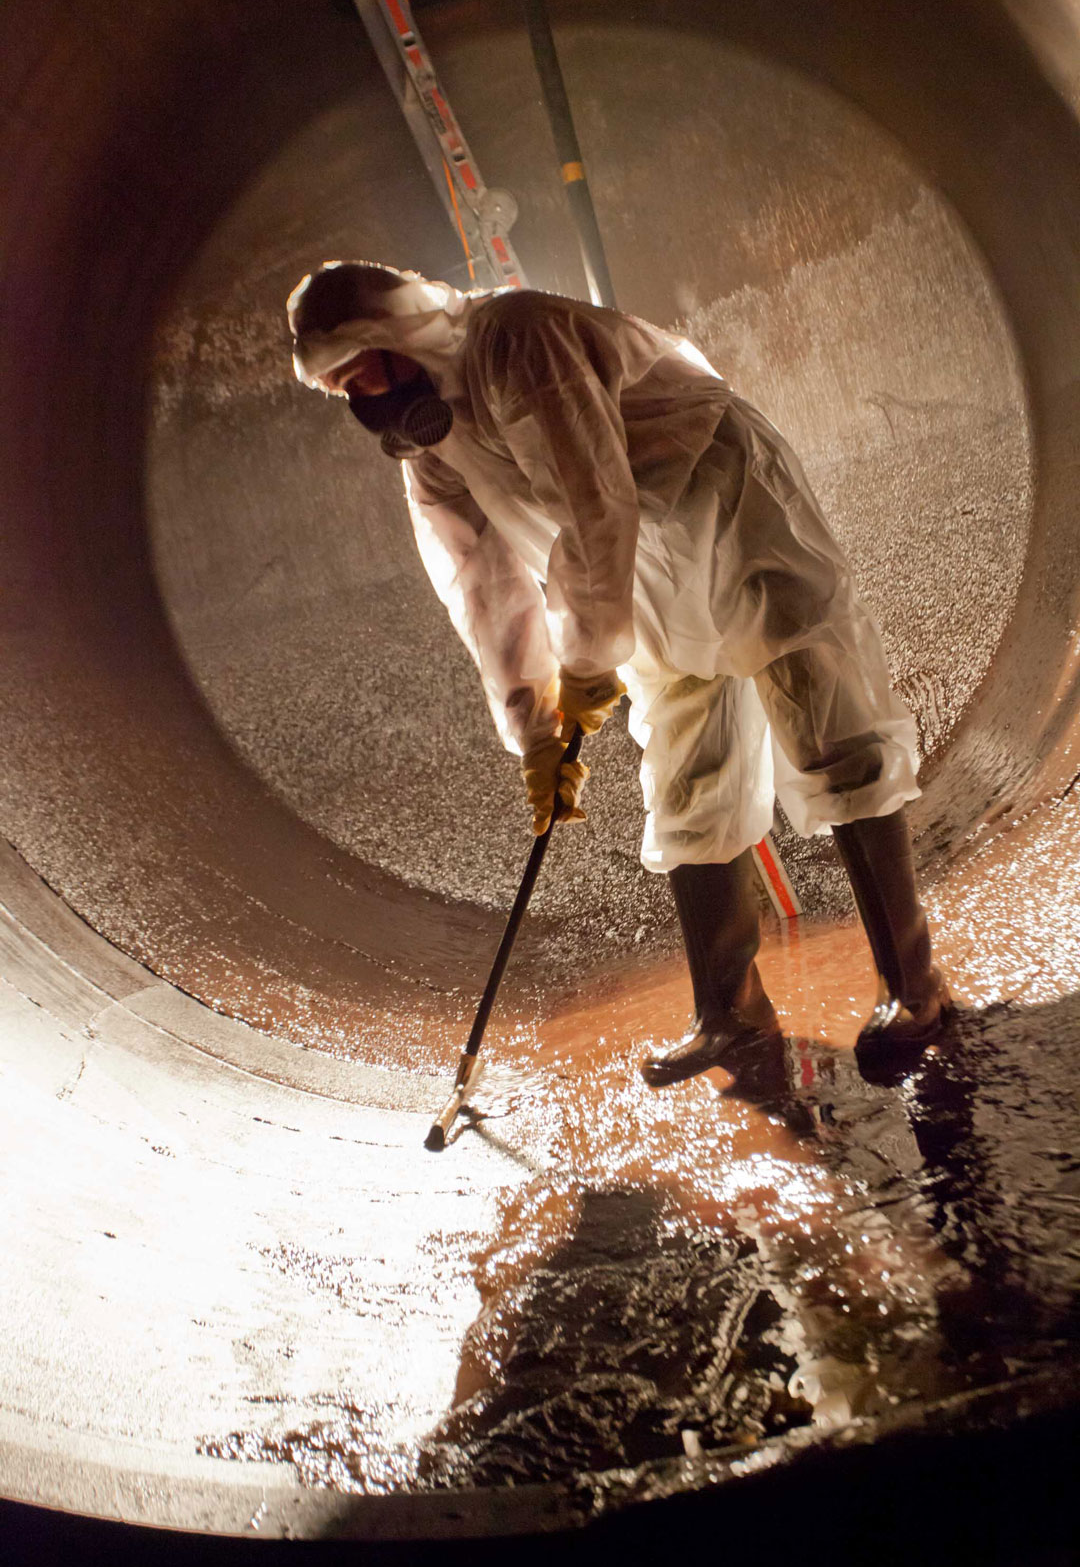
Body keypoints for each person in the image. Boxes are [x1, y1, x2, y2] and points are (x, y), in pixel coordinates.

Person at [287, 260, 954, 1085]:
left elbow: (590, 496)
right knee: (684, 756)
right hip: (634, 562)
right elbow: (481, 586)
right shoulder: (429, 447)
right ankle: (730, 1014)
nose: (367, 399)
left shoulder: (516, 339)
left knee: (823, 715)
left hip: (726, 497)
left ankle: (914, 988)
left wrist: (590, 657)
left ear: (399, 335)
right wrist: (535, 728)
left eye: (366, 370)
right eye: (344, 388)